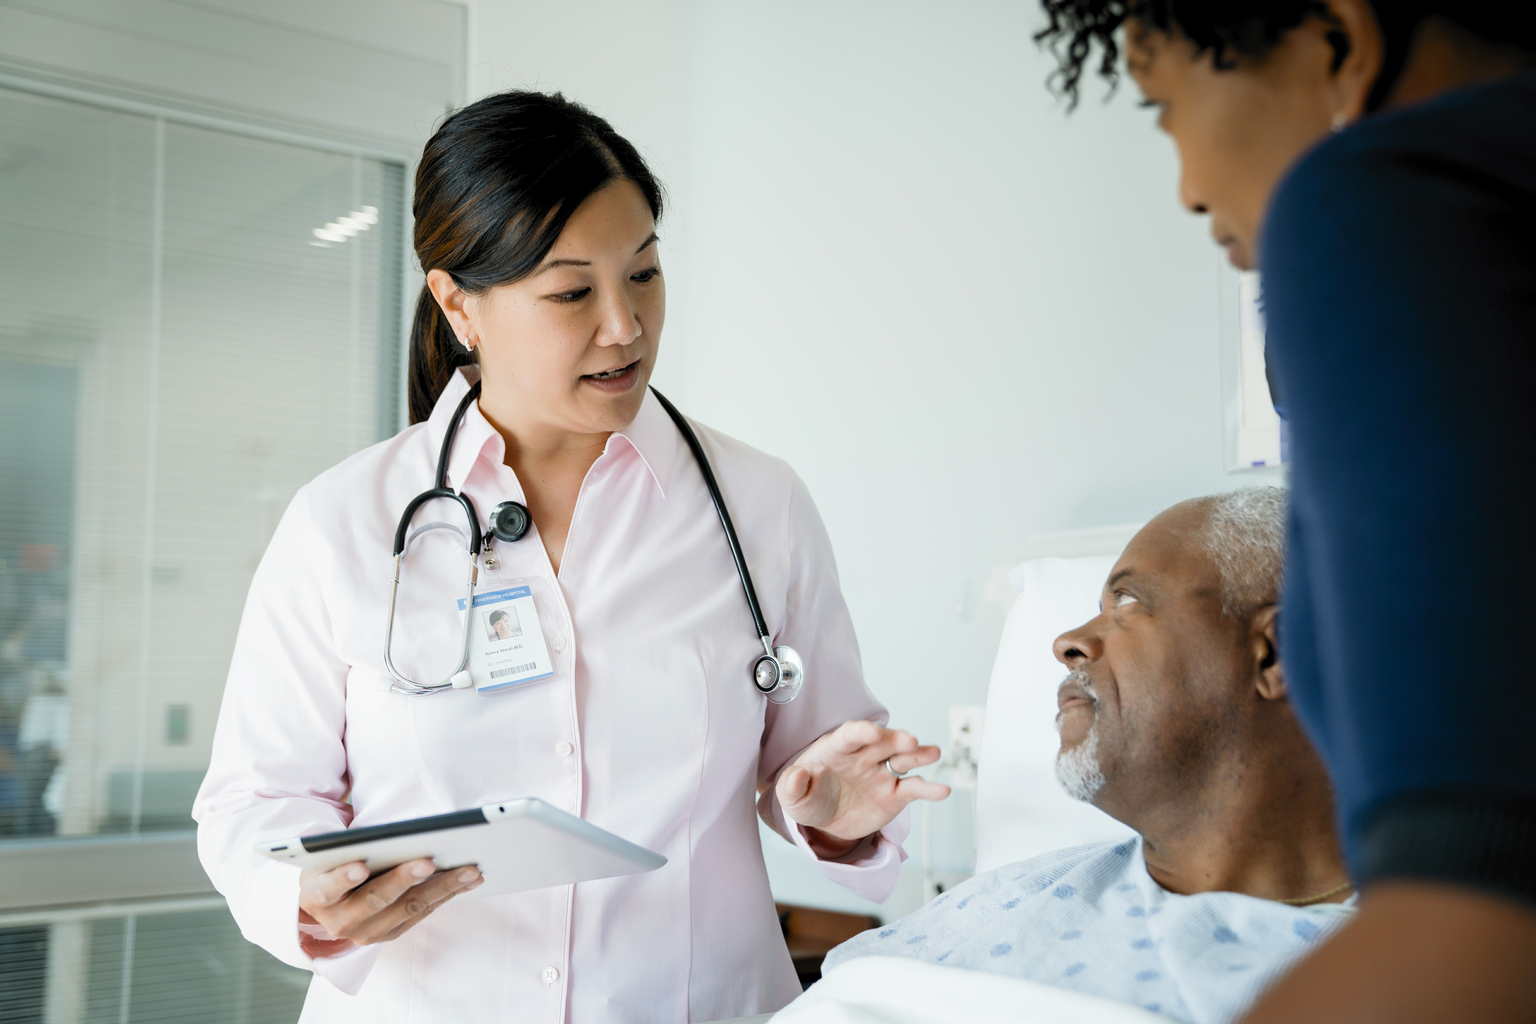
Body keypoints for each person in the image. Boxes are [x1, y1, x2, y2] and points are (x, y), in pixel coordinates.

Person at [193, 90, 949, 1023]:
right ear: (457, 303)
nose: (624, 327)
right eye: (571, 292)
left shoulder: (759, 505)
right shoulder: (342, 522)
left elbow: (827, 764)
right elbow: (252, 801)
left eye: (644, 276)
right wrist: (303, 896)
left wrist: (836, 813)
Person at [1033, 4, 1536, 1021]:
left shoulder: (1381, 206)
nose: (1186, 189)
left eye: (1168, 106)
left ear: (1338, 44)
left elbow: (1479, 896)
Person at [824, 489, 1352, 1024]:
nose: (1067, 641)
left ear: (1276, 653)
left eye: (1126, 602)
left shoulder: (1410, 965)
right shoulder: (1001, 902)